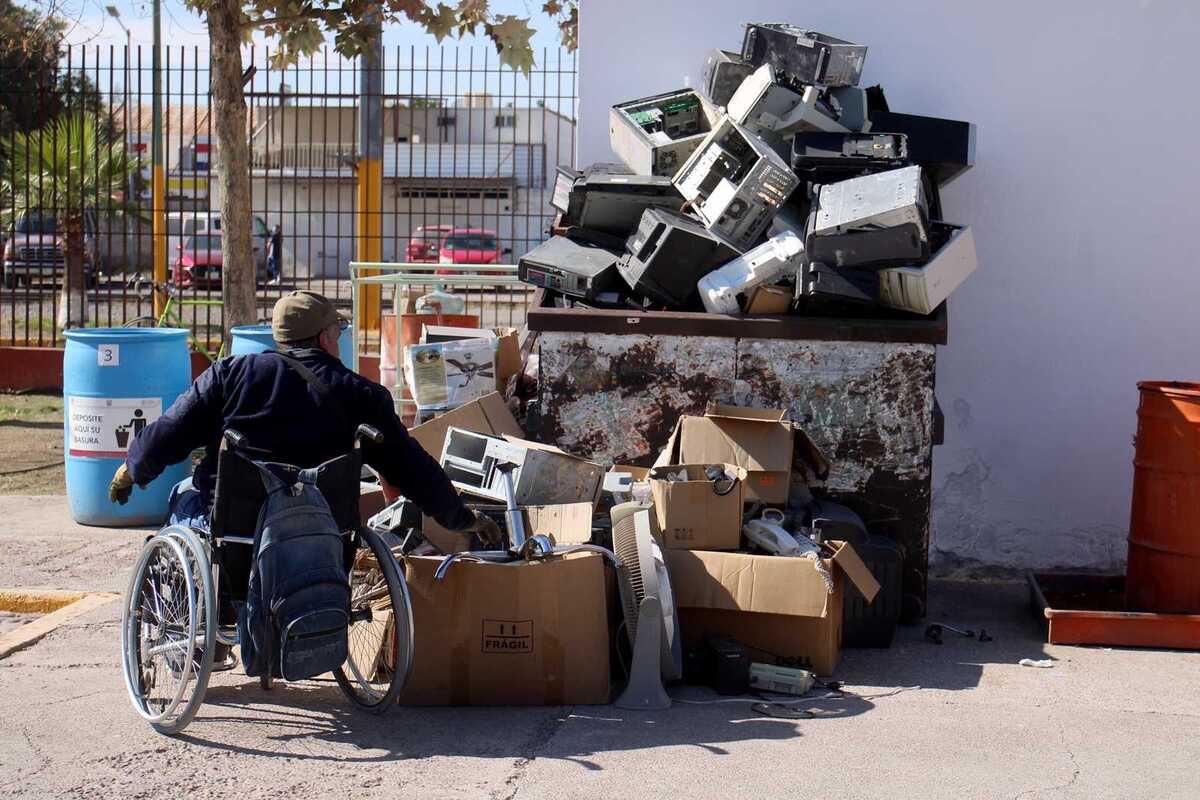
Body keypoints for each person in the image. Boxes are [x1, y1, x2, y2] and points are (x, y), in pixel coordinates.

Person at [108, 290, 499, 544]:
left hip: (234, 525)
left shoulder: (230, 375)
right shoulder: (361, 394)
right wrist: (460, 517)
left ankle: (197, 641)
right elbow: (410, 466)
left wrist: (132, 470)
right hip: (323, 529)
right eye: (338, 329)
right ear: (326, 338)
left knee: (182, 497)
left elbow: (172, 431)